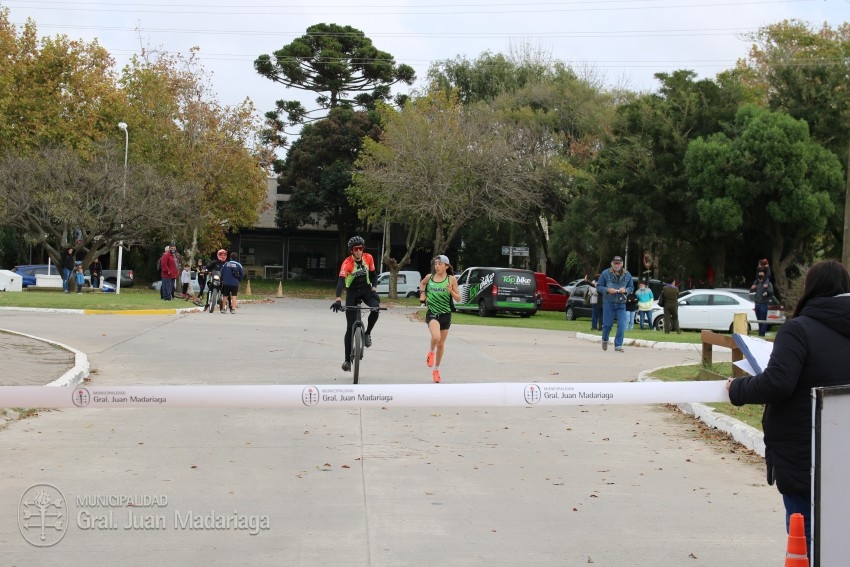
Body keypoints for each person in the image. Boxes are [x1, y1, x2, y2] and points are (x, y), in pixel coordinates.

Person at [728, 259, 850, 557]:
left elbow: (777, 383)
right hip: (843, 455)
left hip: (805, 456)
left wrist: (737, 389)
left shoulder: (799, 330)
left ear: (810, 290)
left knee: (806, 540)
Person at [330, 236, 380, 372]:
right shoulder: (347, 263)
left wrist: (374, 287)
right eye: (356, 249)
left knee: (376, 308)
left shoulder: (368, 258)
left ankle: (367, 333)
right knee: (349, 327)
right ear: (351, 251)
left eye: (361, 248)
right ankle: (347, 360)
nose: (359, 251)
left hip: (366, 290)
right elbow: (340, 283)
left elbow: (374, 274)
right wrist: (338, 299)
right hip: (352, 293)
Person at [419, 255, 461, 384]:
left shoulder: (451, 279)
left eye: (439, 264)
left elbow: (458, 298)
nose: (436, 266)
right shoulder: (429, 277)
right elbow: (422, 283)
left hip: (445, 315)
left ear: (446, 266)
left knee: (441, 344)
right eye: (435, 264)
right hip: (432, 313)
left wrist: (451, 292)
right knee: (436, 338)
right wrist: (422, 293)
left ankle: (436, 370)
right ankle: (431, 352)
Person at [597, 256, 634, 352]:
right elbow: (599, 287)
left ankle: (618, 345)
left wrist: (625, 290)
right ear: (612, 264)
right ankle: (604, 339)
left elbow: (631, 287)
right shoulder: (605, 273)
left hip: (621, 303)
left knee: (622, 324)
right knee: (607, 325)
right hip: (608, 302)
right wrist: (607, 290)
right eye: (615, 263)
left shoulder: (627, 275)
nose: (617, 265)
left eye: (619, 263)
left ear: (622, 264)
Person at [750, 270, 775, 337]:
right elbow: (751, 291)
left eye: (762, 275)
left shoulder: (768, 283)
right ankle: (760, 332)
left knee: (763, 319)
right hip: (757, 303)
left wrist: (766, 291)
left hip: (763, 303)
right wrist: (752, 288)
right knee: (758, 319)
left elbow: (771, 292)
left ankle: (762, 333)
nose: (760, 277)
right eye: (759, 275)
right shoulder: (757, 283)